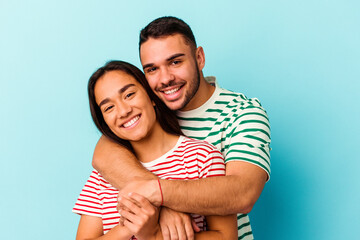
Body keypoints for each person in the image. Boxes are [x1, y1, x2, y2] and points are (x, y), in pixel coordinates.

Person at [93, 17, 271, 240]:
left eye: (175, 62)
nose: (165, 79)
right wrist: (160, 208)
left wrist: (158, 195)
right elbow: (104, 151)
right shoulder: (146, 112)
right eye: (152, 69)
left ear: (199, 58)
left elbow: (242, 194)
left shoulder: (241, 114)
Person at [73, 60, 238, 240]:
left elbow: (227, 237)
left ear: (151, 96)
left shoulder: (202, 157)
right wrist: (128, 227)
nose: (123, 111)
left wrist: (154, 235)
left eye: (129, 95)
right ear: (104, 121)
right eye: (109, 107)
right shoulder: (102, 176)